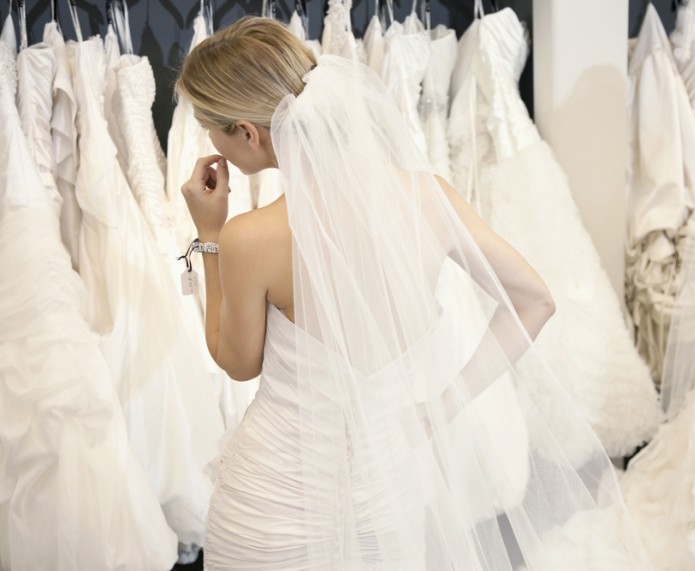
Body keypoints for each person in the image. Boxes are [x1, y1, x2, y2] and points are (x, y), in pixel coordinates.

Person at [178, 15, 651, 570]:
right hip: (388, 490)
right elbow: (536, 301)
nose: (210, 141)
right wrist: (441, 406)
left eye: (210, 126)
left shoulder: (250, 236)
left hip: (275, 498)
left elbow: (237, 363)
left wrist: (209, 235)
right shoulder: (429, 198)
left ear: (248, 132)